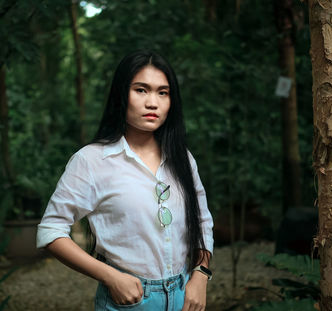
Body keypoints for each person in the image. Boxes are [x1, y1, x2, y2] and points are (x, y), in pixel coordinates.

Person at [37, 50, 214, 311]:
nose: (152, 102)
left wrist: (200, 275)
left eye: (163, 93)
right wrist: (110, 276)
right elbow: (50, 231)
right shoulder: (92, 160)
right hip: (129, 300)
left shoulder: (182, 158)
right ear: (122, 95)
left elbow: (201, 220)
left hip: (184, 296)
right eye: (141, 90)